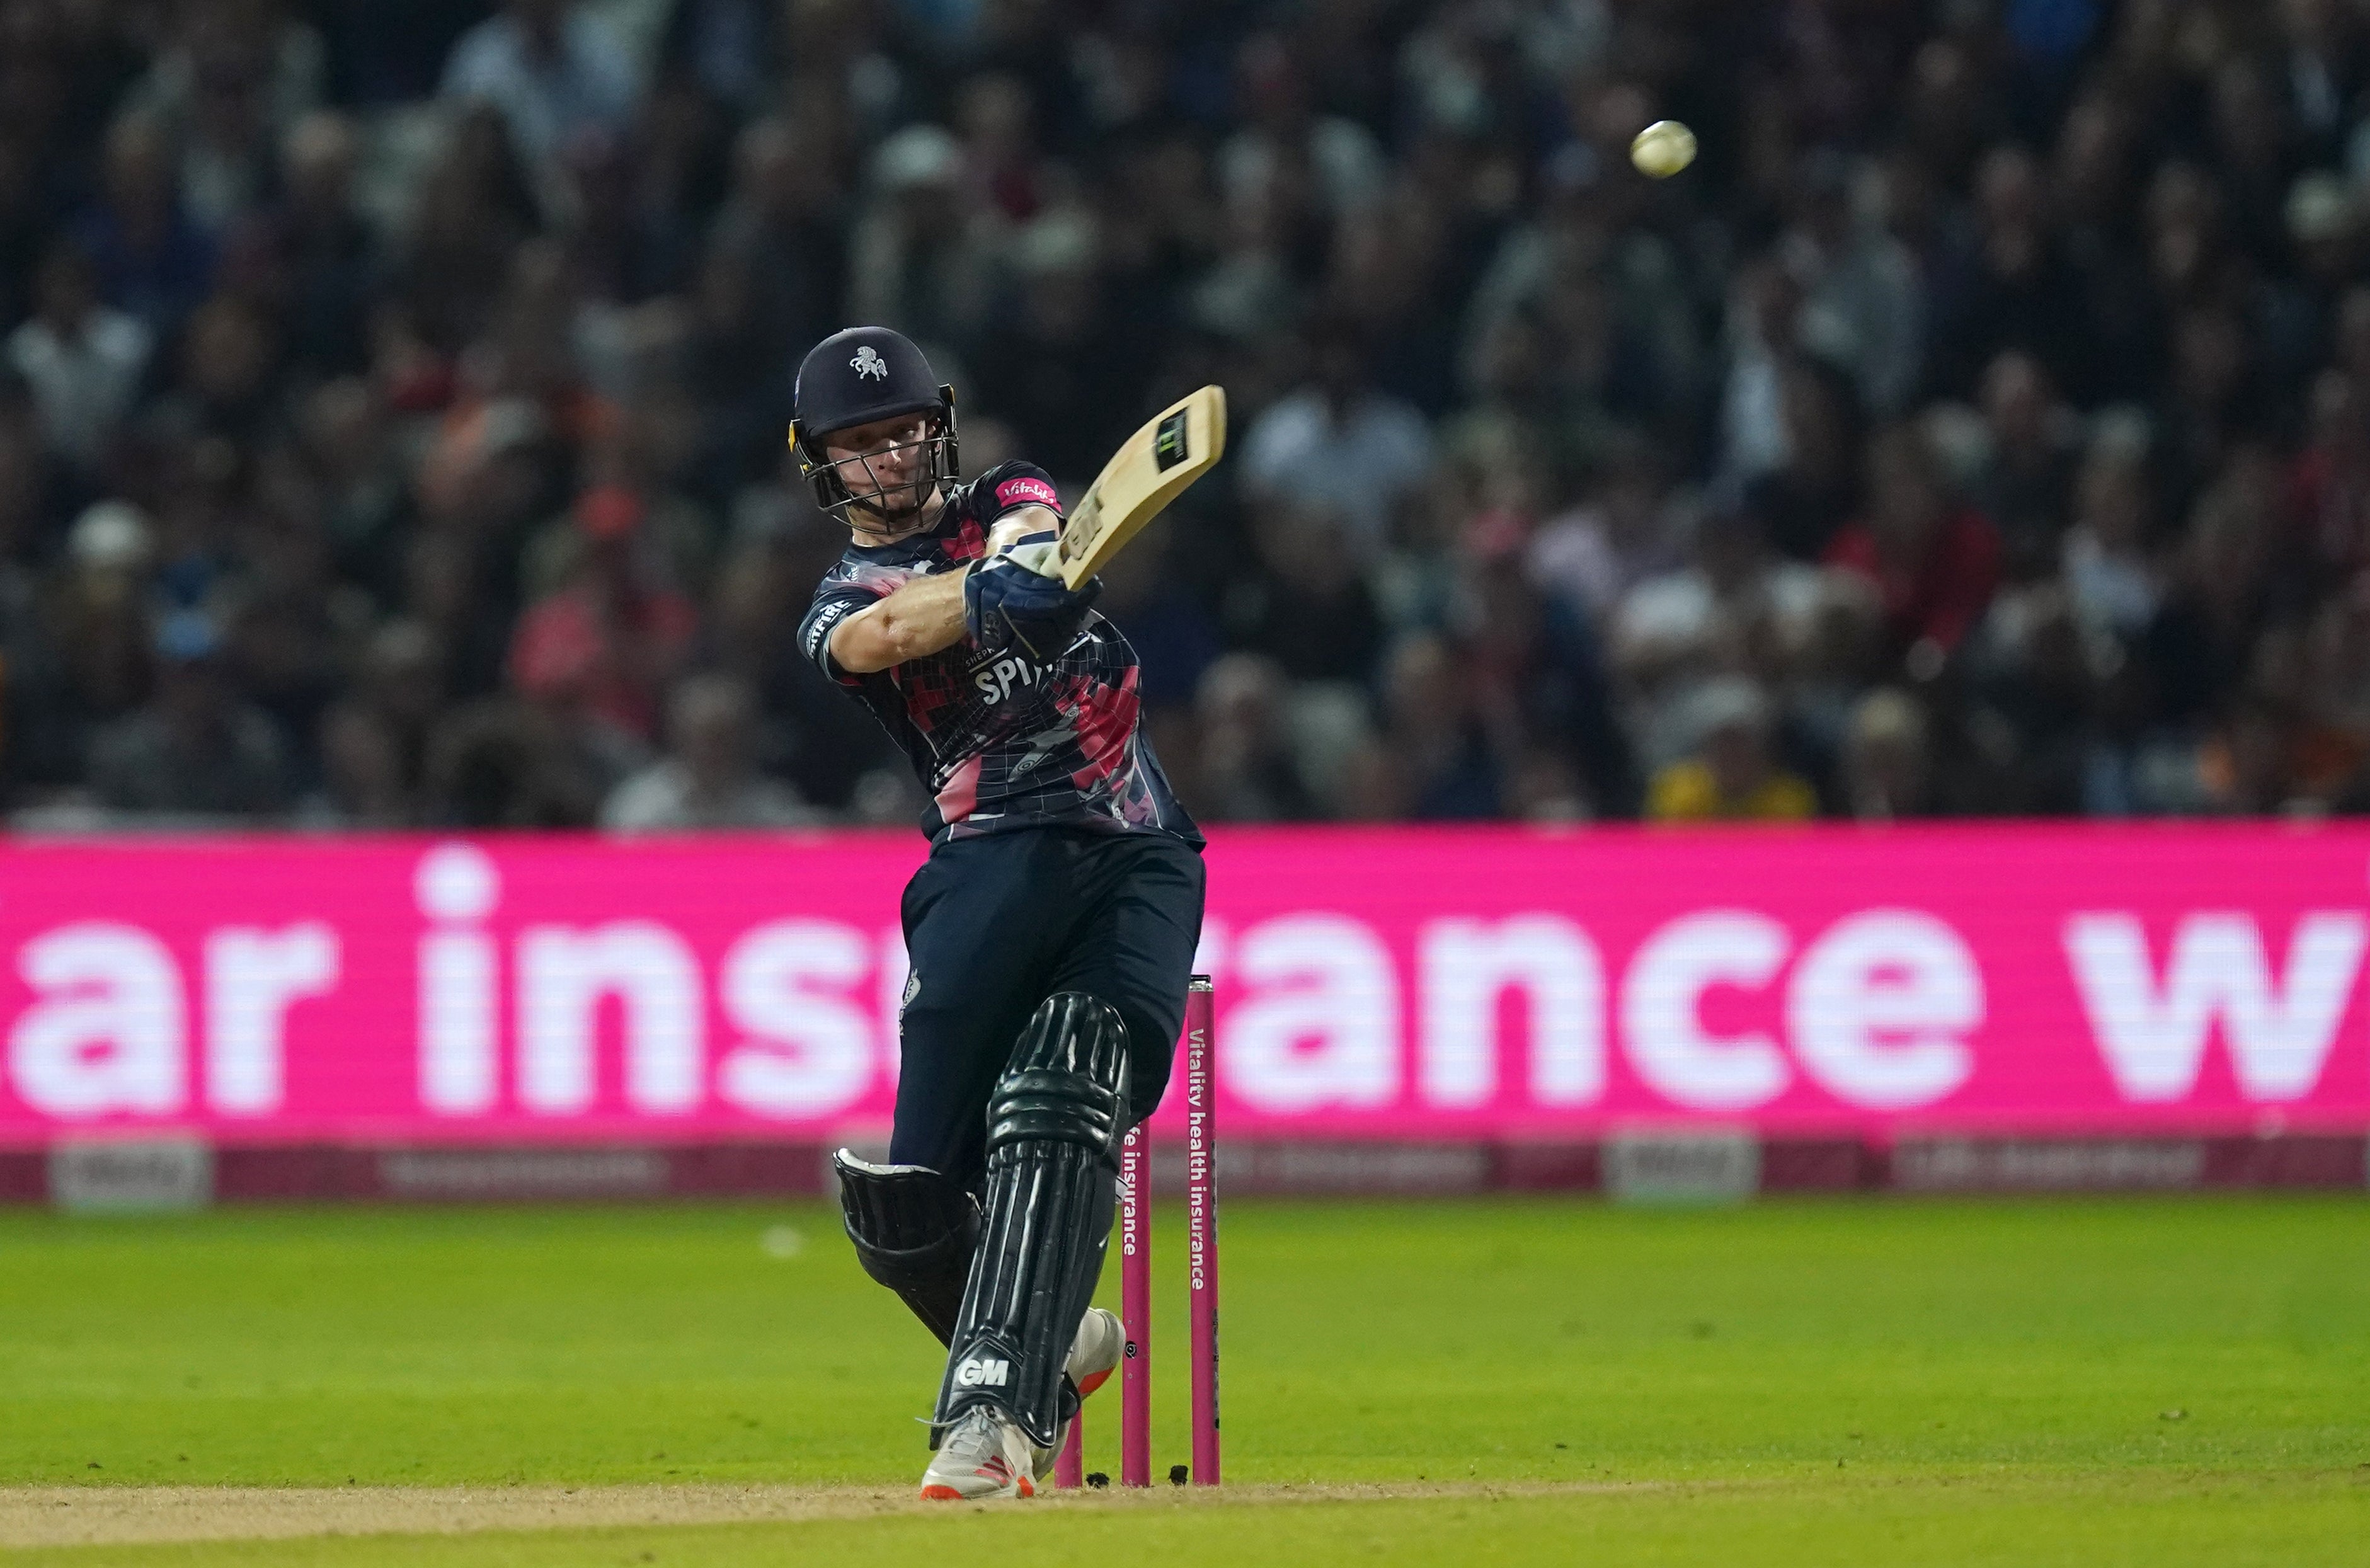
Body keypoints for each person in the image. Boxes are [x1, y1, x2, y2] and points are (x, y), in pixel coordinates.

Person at [789, 326, 1205, 1500]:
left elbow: (1035, 528)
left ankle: (990, 1415)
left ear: (943, 424)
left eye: (904, 432)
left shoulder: (1004, 501)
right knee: (903, 1204)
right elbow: (882, 636)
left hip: (1135, 848)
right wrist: (985, 595)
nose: (889, 459)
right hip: (987, 862)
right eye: (859, 445)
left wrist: (1023, 560)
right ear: (820, 465)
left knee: (1068, 1082)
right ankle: (1058, 1342)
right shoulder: (838, 602)